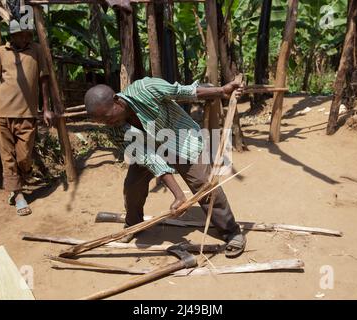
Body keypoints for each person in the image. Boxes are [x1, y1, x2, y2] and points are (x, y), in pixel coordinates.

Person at [84, 77, 246, 258]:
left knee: (204, 185)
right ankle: (134, 224)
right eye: (101, 121)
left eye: (107, 116)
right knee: (132, 186)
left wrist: (222, 91)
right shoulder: (113, 129)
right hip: (147, 149)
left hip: (181, 140)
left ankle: (231, 232)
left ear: (116, 100)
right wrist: (179, 195)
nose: (107, 123)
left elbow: (183, 92)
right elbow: (149, 158)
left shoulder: (146, 89)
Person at [0, 20, 54, 216]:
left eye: (28, 34)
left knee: (23, 156)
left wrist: (46, 108)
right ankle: (18, 194)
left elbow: (43, 79)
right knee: (8, 157)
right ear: (12, 36)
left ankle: (23, 178)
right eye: (21, 34)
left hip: (27, 113)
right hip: (2, 112)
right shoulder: (1, 51)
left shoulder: (36, 50)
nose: (25, 38)